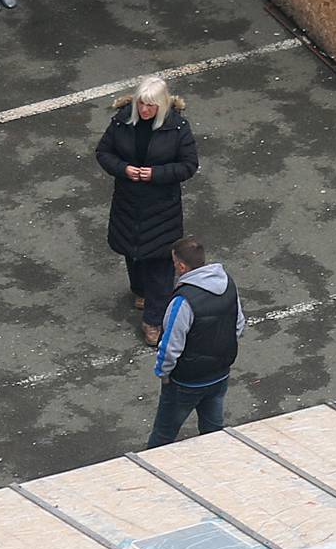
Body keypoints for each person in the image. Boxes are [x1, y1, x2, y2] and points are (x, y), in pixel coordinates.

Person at [94, 73, 199, 345]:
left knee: (161, 265)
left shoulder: (177, 128)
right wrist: (123, 169)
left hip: (161, 207)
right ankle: (140, 292)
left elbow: (188, 165)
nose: (144, 110)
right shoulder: (121, 122)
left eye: (151, 105)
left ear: (162, 105)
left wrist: (155, 174)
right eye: (141, 103)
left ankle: (154, 320)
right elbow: (104, 153)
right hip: (128, 202)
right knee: (133, 253)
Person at [147, 237, 244, 447]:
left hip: (186, 382)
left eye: (174, 263)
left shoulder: (183, 301)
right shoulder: (228, 284)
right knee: (213, 432)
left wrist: (164, 374)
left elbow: (170, 346)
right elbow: (238, 324)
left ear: (181, 266)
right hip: (220, 375)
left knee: (163, 437)